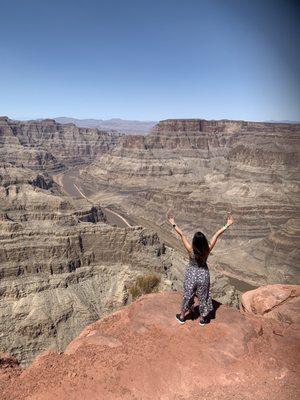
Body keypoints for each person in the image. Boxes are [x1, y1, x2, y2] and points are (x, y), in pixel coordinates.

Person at [167, 210, 234, 326]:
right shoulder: (207, 249)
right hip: (203, 274)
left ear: (194, 242)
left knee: (188, 295)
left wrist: (173, 223)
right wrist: (226, 225)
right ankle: (203, 319)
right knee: (204, 296)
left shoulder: (190, 249)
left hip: (191, 274)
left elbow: (181, 234)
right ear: (204, 242)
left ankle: (182, 316)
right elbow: (216, 235)